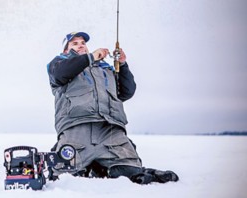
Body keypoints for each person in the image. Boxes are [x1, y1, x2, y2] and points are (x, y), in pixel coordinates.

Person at [46, 32, 179, 184]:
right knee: (63, 175)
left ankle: (102, 168)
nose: (80, 45)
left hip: (110, 130)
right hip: (76, 128)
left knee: (132, 171)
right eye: (74, 43)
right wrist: (91, 58)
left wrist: (122, 64)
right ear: (65, 50)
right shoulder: (58, 65)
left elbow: (126, 91)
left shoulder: (106, 69)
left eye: (82, 42)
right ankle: (87, 168)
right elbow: (61, 73)